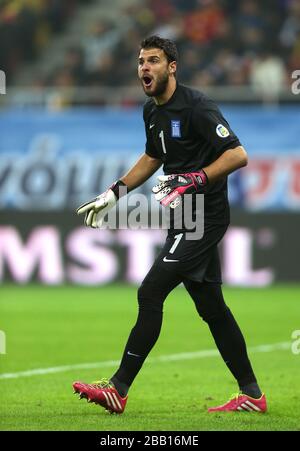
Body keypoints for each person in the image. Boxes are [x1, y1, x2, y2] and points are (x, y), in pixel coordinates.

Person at [73, 35, 267, 414]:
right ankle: (253, 395)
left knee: (150, 292)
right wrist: (115, 192)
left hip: (203, 217)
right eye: (141, 61)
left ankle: (118, 387)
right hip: (183, 216)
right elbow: (153, 156)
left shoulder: (197, 107)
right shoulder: (152, 111)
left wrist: (196, 178)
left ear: (172, 67)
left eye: (154, 61)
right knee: (212, 308)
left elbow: (238, 154)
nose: (145, 67)